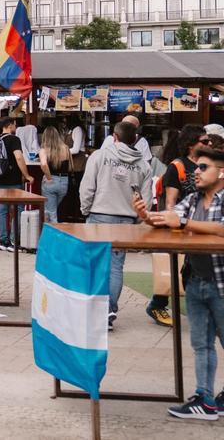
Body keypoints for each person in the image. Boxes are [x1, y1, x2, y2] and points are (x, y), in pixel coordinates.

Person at [131, 146, 224, 421]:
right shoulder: (193, 199)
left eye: (203, 167)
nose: (196, 171)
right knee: (201, 343)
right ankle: (205, 399)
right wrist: (146, 215)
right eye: (196, 166)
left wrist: (182, 222)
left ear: (222, 172)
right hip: (196, 281)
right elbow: (167, 221)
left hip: (221, 284)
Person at [80, 121, 152, 331]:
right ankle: (108, 312)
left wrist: (86, 209)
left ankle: (92, 311)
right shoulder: (144, 165)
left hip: (99, 215)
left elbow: (87, 187)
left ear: (114, 136)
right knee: (116, 267)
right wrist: (138, 220)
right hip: (126, 220)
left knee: (93, 264)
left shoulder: (99, 156)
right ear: (136, 140)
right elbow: (145, 200)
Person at [148, 124, 208, 327]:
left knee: (191, 266)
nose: (209, 144)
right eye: (204, 141)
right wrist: (172, 224)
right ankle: (158, 303)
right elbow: (171, 200)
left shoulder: (206, 164)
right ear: (191, 144)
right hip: (181, 224)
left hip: (201, 224)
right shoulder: (178, 166)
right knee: (175, 266)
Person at [0, 118, 32, 251]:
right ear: (9, 126)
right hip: (12, 180)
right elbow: (19, 157)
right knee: (19, 208)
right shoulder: (14, 139)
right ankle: (14, 241)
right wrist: (27, 175)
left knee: (2, 210)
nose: (16, 126)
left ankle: (3, 241)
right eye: (14, 124)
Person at [38, 126, 72, 225]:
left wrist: (49, 178)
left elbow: (44, 164)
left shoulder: (44, 150)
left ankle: (53, 237)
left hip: (51, 182)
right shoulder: (66, 148)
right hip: (64, 182)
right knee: (53, 209)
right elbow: (70, 165)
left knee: (51, 214)